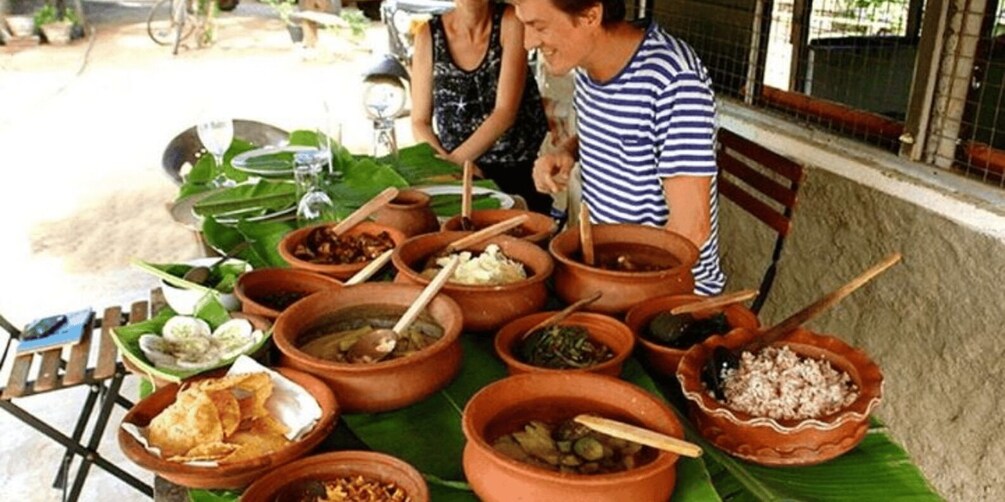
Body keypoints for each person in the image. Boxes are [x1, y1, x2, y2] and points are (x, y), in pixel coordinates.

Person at [512, 0, 726, 295]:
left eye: (538, 26)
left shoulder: (674, 80)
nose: (527, 42)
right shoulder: (587, 60)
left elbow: (692, 228)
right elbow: (617, 131)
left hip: (669, 292)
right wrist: (568, 152)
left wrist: (616, 287)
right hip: (605, 268)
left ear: (590, 16)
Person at [410, 0, 553, 214]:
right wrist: (447, 167)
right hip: (453, 170)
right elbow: (419, 122)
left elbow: (505, 112)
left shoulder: (511, 21)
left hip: (514, 167)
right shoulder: (428, 34)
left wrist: (457, 163)